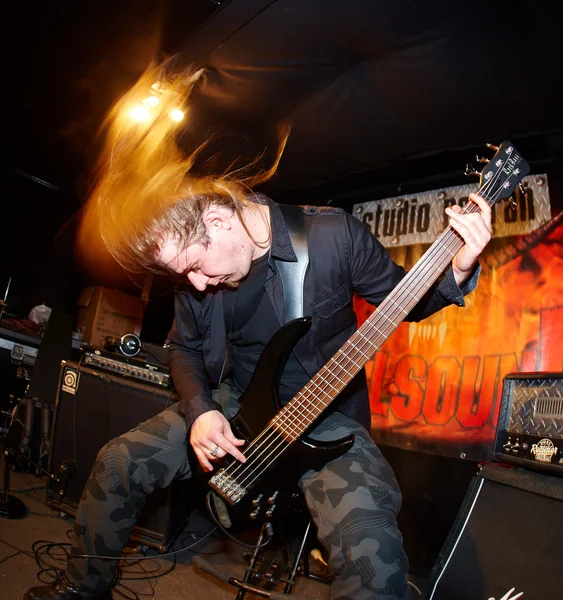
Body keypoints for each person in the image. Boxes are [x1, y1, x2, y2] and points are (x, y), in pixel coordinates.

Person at [24, 175, 492, 600]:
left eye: (195, 266)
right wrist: (200, 409)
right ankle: (84, 589)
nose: (196, 284)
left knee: (372, 554)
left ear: (219, 219)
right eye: (184, 275)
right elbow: (182, 349)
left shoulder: (332, 237)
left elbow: (407, 301)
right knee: (119, 460)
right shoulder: (199, 275)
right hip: (236, 401)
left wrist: (461, 265)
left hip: (326, 416)